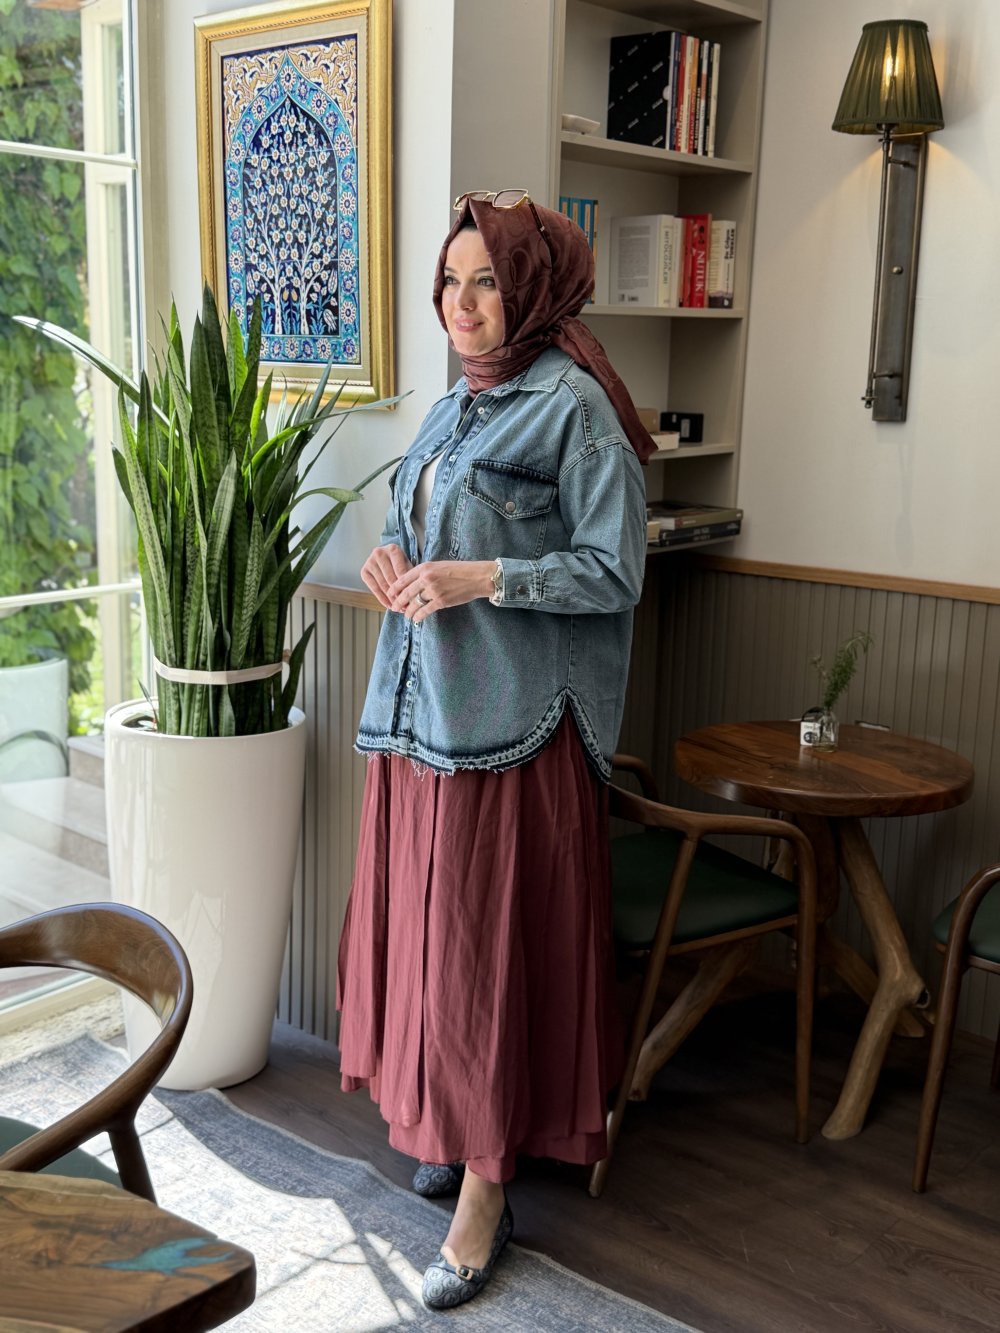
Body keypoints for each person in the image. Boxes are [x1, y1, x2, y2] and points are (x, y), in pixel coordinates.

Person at [337, 189, 652, 1310]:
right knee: (433, 949)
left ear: (532, 291)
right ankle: (452, 1126)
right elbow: (412, 528)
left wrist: (485, 577)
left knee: (486, 956)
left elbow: (616, 570)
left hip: (513, 732)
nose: (460, 304)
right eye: (450, 280)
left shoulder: (574, 408)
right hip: (420, 719)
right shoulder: (453, 405)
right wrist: (388, 558)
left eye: (486, 282)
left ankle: (485, 1190)